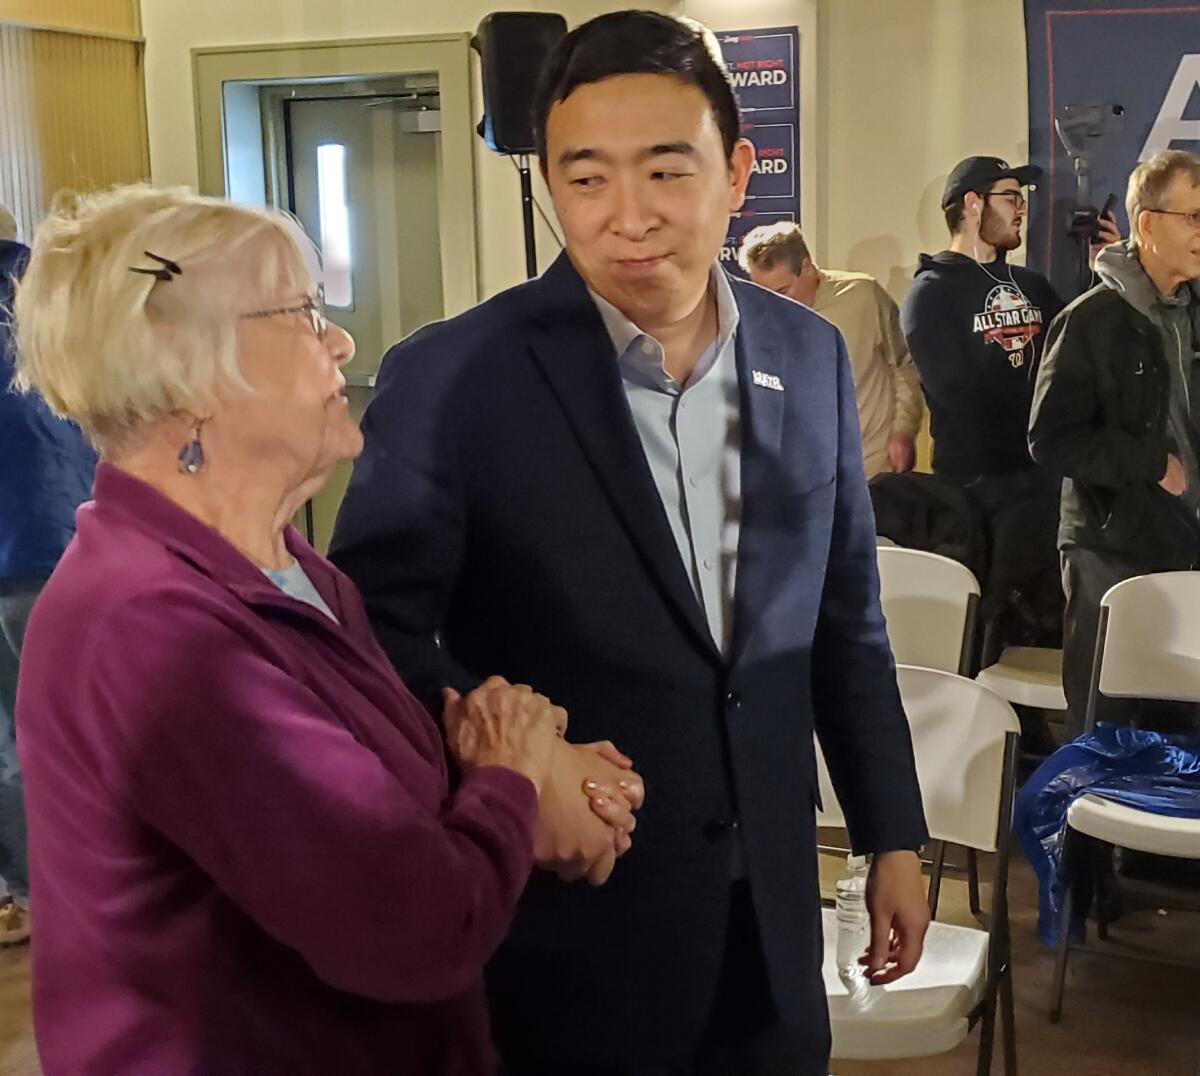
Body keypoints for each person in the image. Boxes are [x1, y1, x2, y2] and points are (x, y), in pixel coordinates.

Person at [331, 13, 929, 1076]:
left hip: (773, 909)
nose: (628, 216)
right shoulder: (456, 376)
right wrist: (522, 751)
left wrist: (893, 831)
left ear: (739, 171)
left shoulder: (810, 354)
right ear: (550, 185)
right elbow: (374, 634)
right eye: (587, 178)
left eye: (666, 170)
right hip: (573, 924)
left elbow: (844, 620)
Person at [12, 185, 642, 1075]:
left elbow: (380, 790)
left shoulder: (286, 566)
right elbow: (413, 922)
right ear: (190, 373)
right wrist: (516, 783)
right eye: (305, 313)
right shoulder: (151, 629)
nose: (341, 340)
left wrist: (536, 767)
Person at [1030, 148, 1200, 738]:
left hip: (1187, 548)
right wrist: (1151, 463)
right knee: (1109, 730)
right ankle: (1095, 835)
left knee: (1182, 729)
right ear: (1148, 223)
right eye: (1194, 217)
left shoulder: (1194, 311)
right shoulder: (1089, 320)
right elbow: (1051, 441)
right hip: (1110, 552)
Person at [0, 202, 97, 947]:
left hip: (10, 556)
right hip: (81, 541)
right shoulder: (63, 312)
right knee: (67, 733)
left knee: (11, 740)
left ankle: (34, 897)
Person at [738, 222, 923, 479]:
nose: (774, 304)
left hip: (873, 471)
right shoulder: (758, 321)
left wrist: (903, 430)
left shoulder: (863, 297)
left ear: (806, 266)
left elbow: (904, 365)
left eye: (783, 291)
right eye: (764, 294)